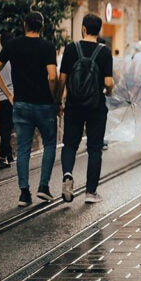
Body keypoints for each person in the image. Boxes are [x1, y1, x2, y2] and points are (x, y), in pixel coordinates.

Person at [0, 11, 59, 207]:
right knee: (50, 144)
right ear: (42, 26)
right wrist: (54, 98)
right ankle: (43, 187)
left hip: (20, 104)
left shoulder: (13, 45)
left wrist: (8, 93)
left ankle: (24, 193)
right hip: (44, 104)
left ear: (24, 24)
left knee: (22, 149)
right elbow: (52, 77)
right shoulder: (47, 46)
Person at [56, 14, 114, 204]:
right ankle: (90, 192)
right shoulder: (104, 52)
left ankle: (67, 174)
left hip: (74, 105)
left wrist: (59, 101)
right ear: (98, 31)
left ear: (83, 28)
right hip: (96, 107)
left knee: (70, 144)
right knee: (95, 148)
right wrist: (109, 91)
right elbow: (108, 81)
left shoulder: (72, 48)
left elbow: (62, 78)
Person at [0, 32, 15, 169]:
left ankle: (8, 153)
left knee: (4, 127)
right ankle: (3, 154)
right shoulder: (14, 59)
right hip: (12, 97)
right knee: (9, 127)